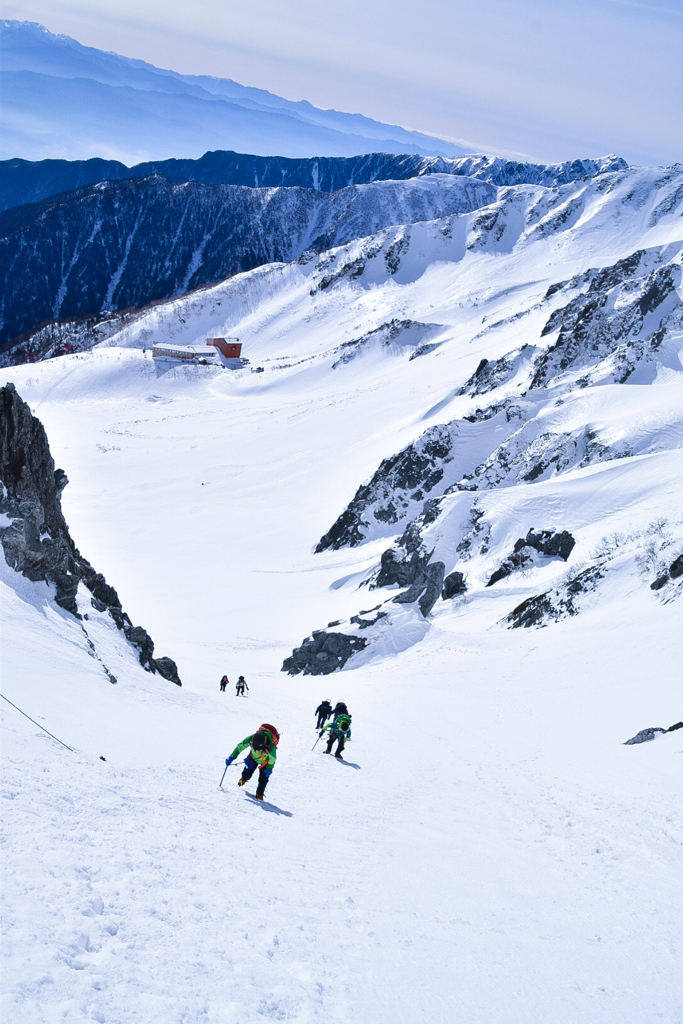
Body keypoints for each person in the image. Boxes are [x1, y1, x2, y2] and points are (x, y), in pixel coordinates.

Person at [225, 723, 279, 800]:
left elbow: (272, 759)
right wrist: (232, 756)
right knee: (247, 772)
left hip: (265, 762)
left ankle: (259, 794)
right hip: (253, 757)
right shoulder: (252, 738)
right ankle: (243, 779)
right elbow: (240, 747)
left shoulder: (271, 746)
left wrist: (269, 768)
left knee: (263, 779)